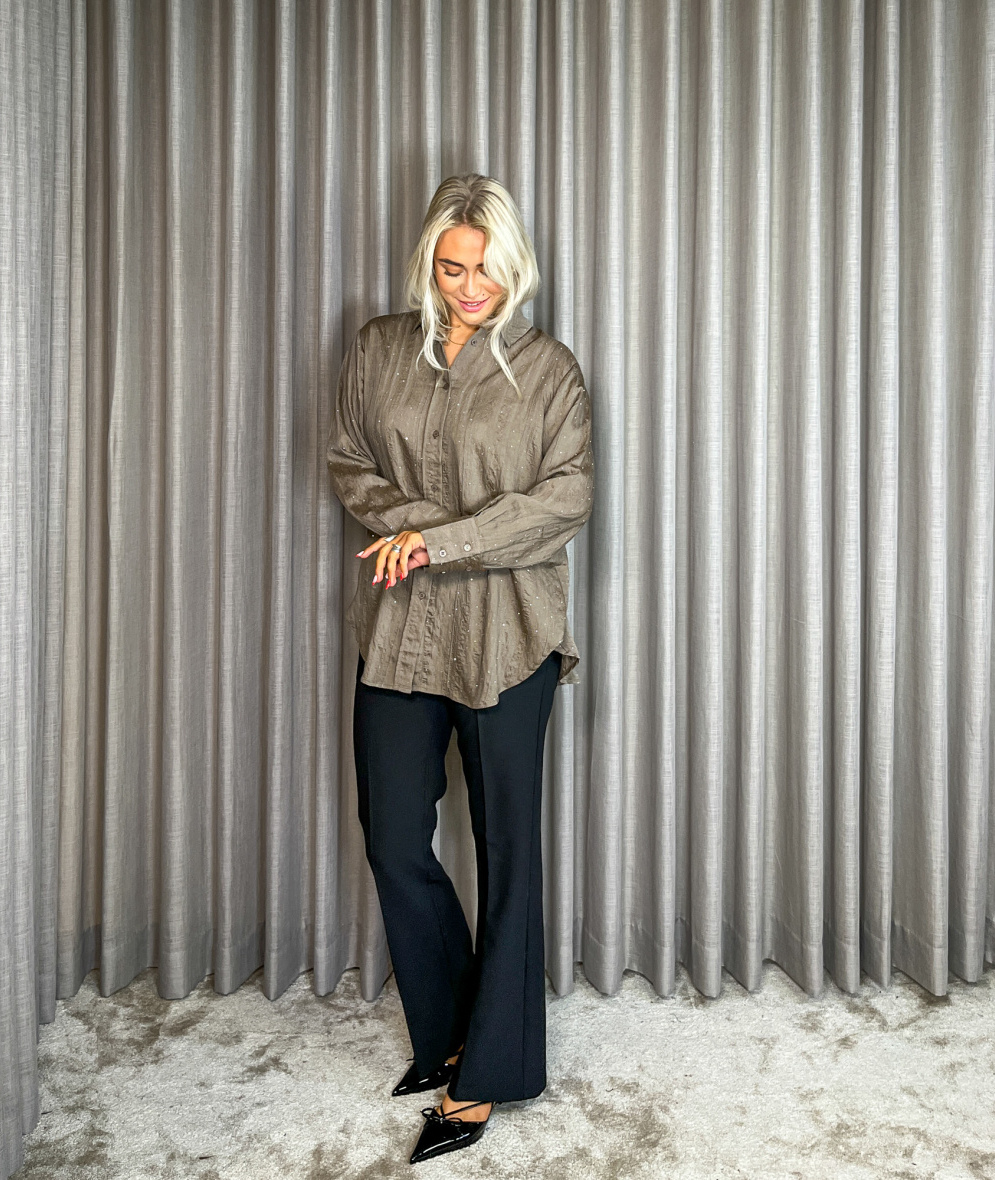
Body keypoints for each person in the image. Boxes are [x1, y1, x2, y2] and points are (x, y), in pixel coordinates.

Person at [325, 172, 594, 1165]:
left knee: (508, 851)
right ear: (427, 264)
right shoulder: (376, 349)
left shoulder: (550, 372)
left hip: (509, 634)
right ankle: (446, 1033)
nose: (470, 287)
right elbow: (348, 460)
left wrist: (440, 542)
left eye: (486, 269)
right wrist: (415, 531)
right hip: (400, 627)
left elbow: (564, 501)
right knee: (394, 832)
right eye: (451, 268)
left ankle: (489, 1074)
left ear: (513, 267)